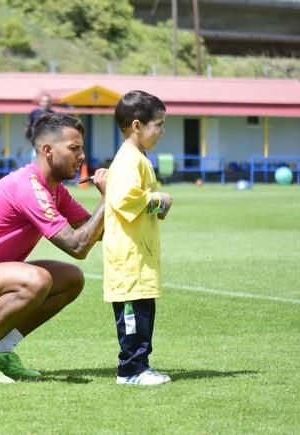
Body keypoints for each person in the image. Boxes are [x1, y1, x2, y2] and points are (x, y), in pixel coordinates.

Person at [0, 112, 108, 384]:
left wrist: (135, 203)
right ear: (47, 150)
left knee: (71, 279)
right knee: (37, 280)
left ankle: (1, 352)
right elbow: (78, 245)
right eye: (74, 148)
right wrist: (108, 198)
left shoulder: (54, 190)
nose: (82, 155)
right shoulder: (28, 187)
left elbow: (94, 232)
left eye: (81, 148)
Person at [103, 90, 172, 386]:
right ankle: (130, 369)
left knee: (144, 311)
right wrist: (159, 200)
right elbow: (124, 198)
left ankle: (141, 365)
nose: (161, 131)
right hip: (128, 257)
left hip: (139, 255)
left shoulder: (138, 157)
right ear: (136, 126)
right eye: (158, 124)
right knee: (132, 314)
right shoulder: (129, 160)